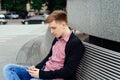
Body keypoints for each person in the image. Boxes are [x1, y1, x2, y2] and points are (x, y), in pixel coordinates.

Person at [3, 10, 85, 80]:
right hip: (43, 72)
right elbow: (48, 57)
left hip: (52, 77)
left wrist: (41, 74)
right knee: (9, 68)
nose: (52, 32)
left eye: (53, 28)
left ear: (63, 25)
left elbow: (68, 71)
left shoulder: (75, 44)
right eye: (50, 28)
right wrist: (36, 67)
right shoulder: (57, 39)